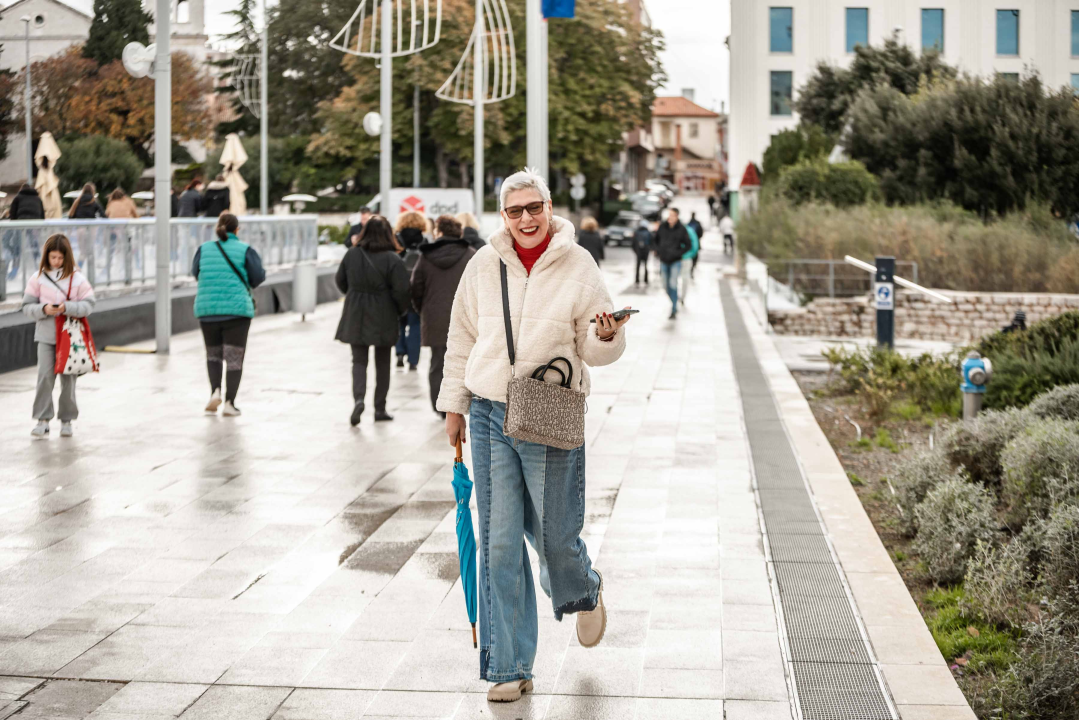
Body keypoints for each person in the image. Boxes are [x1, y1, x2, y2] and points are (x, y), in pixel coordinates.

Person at [438, 168, 632, 704]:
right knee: (499, 543)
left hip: (549, 408)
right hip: (488, 410)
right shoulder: (483, 264)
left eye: (534, 208)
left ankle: (583, 590)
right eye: (515, 210)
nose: (526, 219)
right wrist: (453, 404)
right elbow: (461, 337)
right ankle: (509, 666)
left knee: (553, 536)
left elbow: (594, 348)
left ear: (549, 207)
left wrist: (605, 335)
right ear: (503, 215)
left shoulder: (578, 263)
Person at [335, 216, 411, 426]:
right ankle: (380, 408)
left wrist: (354, 293)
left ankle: (359, 399)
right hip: (383, 311)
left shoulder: (352, 254)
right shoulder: (393, 259)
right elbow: (402, 290)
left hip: (355, 311)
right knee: (383, 362)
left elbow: (340, 280)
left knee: (358, 361)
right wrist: (400, 310)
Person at [21, 234, 96, 438]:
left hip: (70, 338)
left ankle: (67, 420)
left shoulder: (77, 278)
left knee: (68, 381)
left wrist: (67, 307)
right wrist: (44, 309)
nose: (56, 261)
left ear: (67, 257)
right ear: (46, 256)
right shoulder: (37, 278)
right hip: (45, 335)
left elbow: (90, 304)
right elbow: (26, 307)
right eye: (53, 257)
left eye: (60, 258)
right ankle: (42, 420)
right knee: (45, 377)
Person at [191, 213, 266, 416]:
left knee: (213, 354)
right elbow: (258, 277)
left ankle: (215, 391)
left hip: (207, 311)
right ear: (237, 230)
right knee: (233, 358)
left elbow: (196, 273)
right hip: (236, 312)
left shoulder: (204, 249)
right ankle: (230, 403)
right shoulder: (245, 250)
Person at [410, 214, 475, 416]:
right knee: (467, 362)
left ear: (439, 232)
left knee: (438, 363)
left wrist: (424, 311)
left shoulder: (425, 256)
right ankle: (461, 406)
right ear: (459, 232)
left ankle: (440, 408)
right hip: (467, 319)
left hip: (434, 317)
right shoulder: (471, 255)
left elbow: (415, 288)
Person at [394, 211, 426, 371]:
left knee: (399, 323)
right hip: (417, 288)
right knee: (415, 325)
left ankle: (399, 353)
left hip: (399, 287)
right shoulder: (423, 240)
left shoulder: (397, 239)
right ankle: (413, 360)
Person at [654, 207, 691, 320]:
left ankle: (674, 308)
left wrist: (678, 253)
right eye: (669, 215)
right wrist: (658, 251)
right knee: (665, 285)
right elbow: (655, 240)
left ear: (677, 216)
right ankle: (674, 300)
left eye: (672, 215)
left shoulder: (681, 229)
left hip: (675, 261)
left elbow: (688, 245)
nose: (670, 217)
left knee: (673, 284)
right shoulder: (662, 227)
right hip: (664, 260)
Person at [681, 221, 699, 303]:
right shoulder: (690, 230)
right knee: (684, 277)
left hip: (683, 257)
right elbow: (695, 245)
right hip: (682, 257)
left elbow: (695, 244)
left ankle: (681, 296)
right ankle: (682, 296)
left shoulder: (687, 231)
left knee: (682, 278)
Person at [631, 219, 652, 285]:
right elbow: (652, 243)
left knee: (638, 266)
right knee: (646, 266)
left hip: (639, 251)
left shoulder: (636, 232)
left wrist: (636, 251)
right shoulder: (648, 233)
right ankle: (646, 280)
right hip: (646, 252)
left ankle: (637, 280)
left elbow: (633, 243)